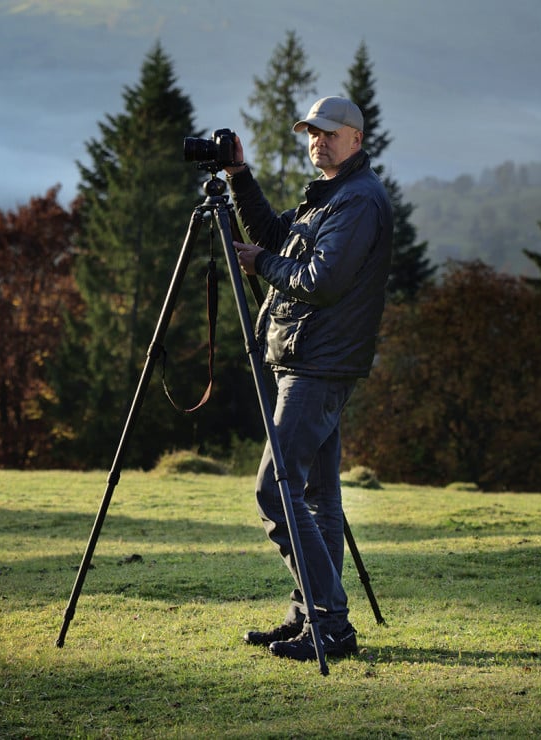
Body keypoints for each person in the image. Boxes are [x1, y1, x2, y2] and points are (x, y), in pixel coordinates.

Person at [224, 96, 393, 661]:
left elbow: (321, 280)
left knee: (275, 490)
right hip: (311, 357)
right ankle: (307, 616)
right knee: (317, 496)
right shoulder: (329, 195)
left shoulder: (358, 200)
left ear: (356, 140)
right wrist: (240, 177)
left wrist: (260, 265)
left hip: (319, 363)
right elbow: (276, 236)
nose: (317, 140)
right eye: (311, 133)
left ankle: (332, 624)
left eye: (328, 132)